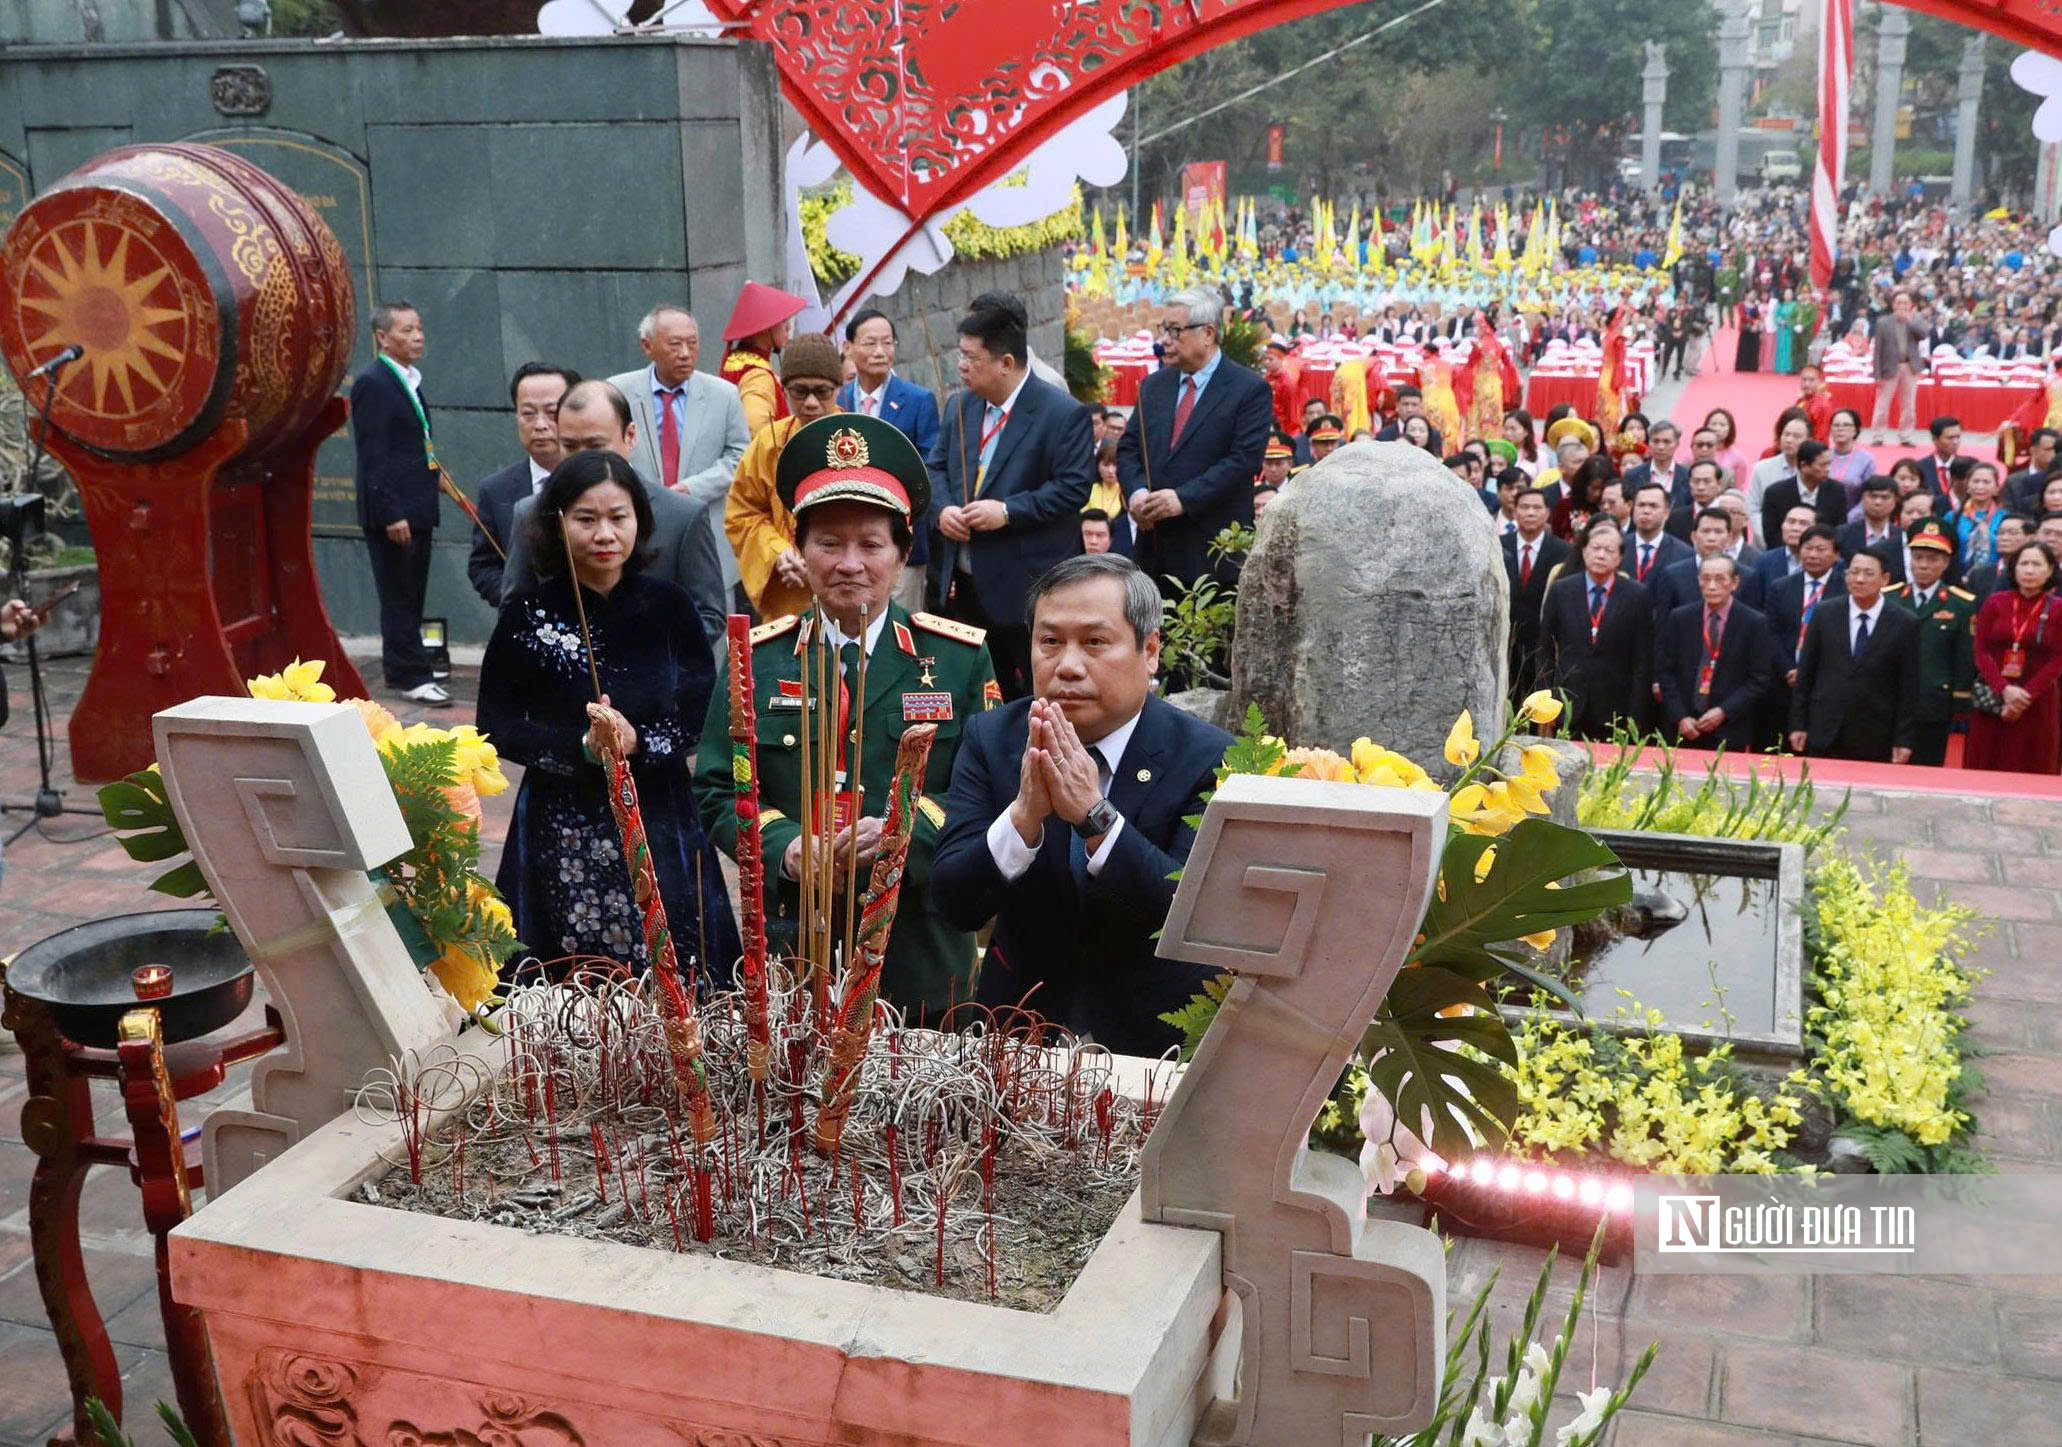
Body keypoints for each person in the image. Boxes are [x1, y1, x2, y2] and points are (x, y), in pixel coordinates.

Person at [693, 412, 998, 1018]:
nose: (849, 563)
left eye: (870, 544)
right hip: (796, 944)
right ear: (800, 551)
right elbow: (719, 788)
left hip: (921, 946)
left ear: (903, 553)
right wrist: (782, 845)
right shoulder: (757, 658)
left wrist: (903, 832)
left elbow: (986, 790)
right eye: (828, 544)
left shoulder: (958, 657)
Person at [932, 553, 1233, 1054]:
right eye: (1050, 642)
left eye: (1095, 642)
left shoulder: (1206, 756)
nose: (1068, 666)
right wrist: (1023, 818)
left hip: (1152, 1043)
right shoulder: (995, 737)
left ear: (1150, 650)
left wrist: (1096, 819)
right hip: (1016, 1034)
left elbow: (1193, 914)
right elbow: (953, 902)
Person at [479, 449, 742, 979]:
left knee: (677, 971)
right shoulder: (527, 614)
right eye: (586, 519)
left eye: (618, 517)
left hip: (660, 815)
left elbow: (700, 711)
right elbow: (497, 722)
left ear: (639, 521)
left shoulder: (670, 606)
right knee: (563, 983)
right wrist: (580, 747)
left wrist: (638, 741)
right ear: (556, 524)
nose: (605, 534)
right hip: (559, 821)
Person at [930, 293, 1095, 699]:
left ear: (1006, 363)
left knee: (1031, 694)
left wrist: (1007, 511)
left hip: (1025, 586)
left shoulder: (1061, 412)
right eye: (961, 355)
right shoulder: (960, 407)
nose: (962, 366)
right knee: (973, 692)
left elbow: (1073, 488)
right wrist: (943, 510)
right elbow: (934, 468)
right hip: (963, 583)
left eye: (972, 358)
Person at [500, 380, 729, 647]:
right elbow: (513, 613)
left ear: (630, 436)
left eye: (596, 445)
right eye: (570, 446)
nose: (583, 459)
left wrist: (642, 656)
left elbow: (709, 615)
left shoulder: (682, 515)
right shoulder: (531, 512)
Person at [1119, 288, 1273, 600]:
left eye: (1175, 331)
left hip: (1212, 557)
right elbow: (1128, 449)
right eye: (1164, 329)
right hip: (1154, 553)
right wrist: (1137, 494)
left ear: (1208, 333)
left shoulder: (1249, 389)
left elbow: (1243, 461)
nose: (1166, 340)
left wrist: (1182, 499)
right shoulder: (1153, 386)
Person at [606, 303, 751, 604]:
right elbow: (607, 453)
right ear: (648, 346)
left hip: (705, 532)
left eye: (692, 343)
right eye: (674, 344)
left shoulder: (723, 394)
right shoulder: (617, 392)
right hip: (638, 533)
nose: (685, 353)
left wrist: (691, 488)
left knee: (710, 632)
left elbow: (740, 456)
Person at [350, 299, 448, 706]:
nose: (417, 336)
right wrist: (391, 512)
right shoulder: (374, 382)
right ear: (382, 337)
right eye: (406, 330)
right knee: (399, 594)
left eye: (419, 327)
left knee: (412, 592)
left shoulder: (408, 379)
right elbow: (373, 455)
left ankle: (406, 664)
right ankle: (410, 675)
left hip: (418, 503)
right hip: (396, 513)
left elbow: (410, 442)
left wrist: (434, 474)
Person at [723, 334, 848, 622]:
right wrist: (777, 553)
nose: (812, 403)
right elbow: (742, 513)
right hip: (788, 594)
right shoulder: (769, 443)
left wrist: (826, 559)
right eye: (800, 392)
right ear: (783, 388)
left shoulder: (857, 441)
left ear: (839, 389)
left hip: (845, 587)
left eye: (822, 391)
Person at [839, 308, 944, 608]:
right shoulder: (838, 400)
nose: (880, 352)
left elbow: (928, 466)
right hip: (848, 529)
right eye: (870, 343)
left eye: (887, 343)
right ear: (848, 348)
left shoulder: (918, 400)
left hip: (900, 534)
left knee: (900, 623)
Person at [1787, 547, 1919, 763]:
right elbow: (1807, 674)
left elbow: (1908, 686)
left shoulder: (1905, 622)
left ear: (1884, 579)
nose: (1859, 579)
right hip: (1824, 728)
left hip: (1875, 734)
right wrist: (1798, 724)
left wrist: (1903, 739)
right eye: (1853, 572)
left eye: (1868, 574)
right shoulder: (1825, 613)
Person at [469, 362, 578, 606]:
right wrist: (518, 601)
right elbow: (482, 566)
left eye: (552, 412)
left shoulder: (601, 479)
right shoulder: (496, 489)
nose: (540, 425)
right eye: (528, 413)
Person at [1541, 519, 1651, 739]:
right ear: (1583, 552)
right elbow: (1544, 652)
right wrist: (1546, 703)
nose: (1601, 555)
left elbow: (1642, 660)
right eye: (1595, 548)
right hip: (1568, 703)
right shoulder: (1562, 590)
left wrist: (1636, 715)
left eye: (1609, 550)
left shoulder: (1636, 595)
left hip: (1615, 708)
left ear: (1619, 557)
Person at [1656, 555, 1772, 752]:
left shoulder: (1754, 622)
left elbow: (1759, 679)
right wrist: (1680, 716)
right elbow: (1666, 672)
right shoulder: (1680, 617)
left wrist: (1723, 711)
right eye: (1705, 578)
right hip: (1683, 727)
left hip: (1729, 729)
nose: (1711, 586)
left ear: (1734, 583)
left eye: (1719, 579)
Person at [1966, 541, 2062, 774]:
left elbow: (2058, 658)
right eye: (2024, 563)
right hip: (1994, 698)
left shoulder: (2058, 608)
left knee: (2032, 768)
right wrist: (2005, 690)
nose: (2029, 570)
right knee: (1985, 766)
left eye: (2037, 564)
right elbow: (1981, 651)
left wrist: (2025, 695)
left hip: (2037, 701)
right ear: (2014, 568)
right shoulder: (1995, 602)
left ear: (2050, 570)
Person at [1894, 518, 1978, 766]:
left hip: (1934, 703)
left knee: (1926, 767)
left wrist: (1960, 699)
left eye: (1932, 559)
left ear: (1945, 562)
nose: (1924, 565)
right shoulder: (1890, 598)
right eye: (1918, 557)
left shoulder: (1961, 604)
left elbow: (1964, 657)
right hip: (1891, 700)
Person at [1503, 488, 1570, 699]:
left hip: (1543, 643)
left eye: (1536, 508)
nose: (1530, 513)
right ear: (1514, 512)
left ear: (1547, 513)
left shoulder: (1564, 552)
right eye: (1524, 507)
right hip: (1505, 644)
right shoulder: (1498, 545)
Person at [721, 281, 807, 437]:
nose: (788, 328)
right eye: (783, 321)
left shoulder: (738, 361)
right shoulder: (757, 375)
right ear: (766, 328)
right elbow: (757, 432)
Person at [1760, 440, 1846, 551]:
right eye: (1822, 465)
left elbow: (1839, 531)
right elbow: (1772, 535)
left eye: (1829, 464)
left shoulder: (1836, 491)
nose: (1828, 469)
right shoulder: (1775, 493)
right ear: (1804, 465)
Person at [1870, 289, 1929, 445]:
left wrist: (1909, 320)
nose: (1902, 305)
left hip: (1909, 367)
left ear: (1911, 305)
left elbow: (1923, 335)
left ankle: (1906, 436)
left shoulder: (1915, 320)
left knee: (1909, 405)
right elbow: (1877, 351)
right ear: (1894, 305)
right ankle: (1878, 435)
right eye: (1899, 302)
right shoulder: (1883, 322)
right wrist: (1877, 374)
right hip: (1889, 367)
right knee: (1883, 404)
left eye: (1905, 302)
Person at [1746, 409, 1811, 533]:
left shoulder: (1813, 471)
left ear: (1808, 440)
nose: (1789, 440)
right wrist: (1765, 535)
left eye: (1796, 436)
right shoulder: (1761, 468)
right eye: (1786, 434)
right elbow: (1753, 509)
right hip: (1766, 540)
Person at [1624, 482, 1691, 587]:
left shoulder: (1683, 553)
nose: (1646, 511)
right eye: (1641, 505)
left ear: (1666, 513)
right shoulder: (1619, 546)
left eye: (1653, 506)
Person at [1837, 476, 1904, 574]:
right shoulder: (1842, 534)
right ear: (1862, 498)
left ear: (1895, 500)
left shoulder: (1902, 537)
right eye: (1873, 496)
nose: (1878, 502)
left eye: (1884, 497)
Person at [1952, 463, 2010, 573]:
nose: (1980, 486)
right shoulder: (1953, 517)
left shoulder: (2005, 518)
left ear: (1996, 488)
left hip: (1994, 578)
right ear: (1968, 487)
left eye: (1986, 482)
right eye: (1976, 481)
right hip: (1958, 577)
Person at [1963, 515, 2032, 602]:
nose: (2004, 538)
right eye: (2000, 533)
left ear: (2029, 538)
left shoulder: (2033, 573)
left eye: (2012, 533)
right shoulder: (1978, 575)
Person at [1622, 421, 1690, 508]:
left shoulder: (1687, 476)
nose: (1661, 447)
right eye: (1656, 441)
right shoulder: (1633, 475)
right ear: (1649, 443)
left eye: (1667, 442)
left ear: (1677, 444)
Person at [1667, 458, 1729, 541]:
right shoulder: (1675, 518)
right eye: (1696, 481)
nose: (1701, 487)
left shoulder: (1731, 515)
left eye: (1707, 481)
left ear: (1719, 484)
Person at [1826, 408, 1876, 506]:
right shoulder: (1823, 456)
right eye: (1836, 425)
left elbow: (1870, 495)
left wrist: (1851, 519)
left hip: (1853, 516)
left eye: (1846, 425)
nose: (1840, 428)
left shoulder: (1866, 460)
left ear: (1855, 430)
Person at [2005, 429, 2060, 513]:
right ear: (2033, 451)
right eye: (2048, 449)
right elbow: (2007, 512)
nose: (2053, 454)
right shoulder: (2013, 481)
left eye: (2056, 450)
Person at [1376, 386, 1443, 454]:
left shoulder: (1433, 435)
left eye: (1414, 405)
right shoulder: (1384, 435)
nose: (1409, 409)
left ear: (1421, 407)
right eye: (1405, 404)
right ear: (1397, 406)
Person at [1915, 416, 1965, 505]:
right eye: (1950, 438)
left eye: (1958, 437)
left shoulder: (1968, 466)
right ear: (1935, 439)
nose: (1955, 442)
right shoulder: (1919, 468)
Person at [1795, 362, 1835, 440]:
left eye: (1811, 380)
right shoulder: (1801, 400)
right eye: (1804, 380)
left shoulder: (1823, 405)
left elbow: (1821, 435)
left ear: (1820, 382)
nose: (1806, 384)